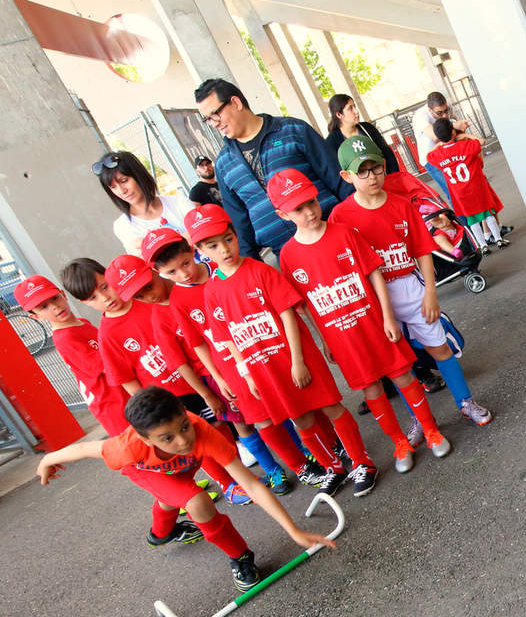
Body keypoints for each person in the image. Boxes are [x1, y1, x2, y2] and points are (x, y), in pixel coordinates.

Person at [35, 386, 336, 591]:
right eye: (167, 438)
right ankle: (241, 557)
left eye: (183, 426)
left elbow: (252, 486)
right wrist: (49, 458)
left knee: (171, 497)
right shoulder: (126, 449)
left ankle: (161, 532)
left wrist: (293, 530)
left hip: (179, 469)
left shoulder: (202, 434)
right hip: (143, 470)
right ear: (145, 439)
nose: (182, 440)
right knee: (196, 500)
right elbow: (88, 448)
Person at [186, 200, 379, 498]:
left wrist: (298, 361)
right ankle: (333, 467)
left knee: (328, 405)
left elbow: (289, 312)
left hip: (295, 357)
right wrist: (247, 373)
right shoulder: (212, 290)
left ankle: (361, 462)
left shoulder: (260, 270)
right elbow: (229, 338)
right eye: (212, 246)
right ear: (200, 250)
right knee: (299, 417)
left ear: (236, 235)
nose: (224, 250)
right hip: (263, 368)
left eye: (227, 239)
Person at [274, 167, 451, 474]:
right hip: (343, 339)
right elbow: (305, 307)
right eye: (298, 209)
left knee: (403, 376)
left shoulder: (344, 233)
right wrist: (325, 339)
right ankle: (399, 442)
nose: (309, 212)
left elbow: (374, 273)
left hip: (374, 324)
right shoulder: (288, 256)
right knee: (371, 390)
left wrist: (387, 316)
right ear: (282, 214)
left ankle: (431, 430)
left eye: (311, 203)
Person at [330, 135, 495, 426]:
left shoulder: (401, 204)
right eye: (362, 171)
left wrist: (431, 292)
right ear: (346, 175)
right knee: (398, 364)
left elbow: (422, 250)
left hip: (409, 285)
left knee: (439, 346)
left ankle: (465, 402)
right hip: (372, 298)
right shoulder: (340, 216)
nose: (372, 177)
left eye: (376, 168)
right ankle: (420, 422)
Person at [60, 256, 251, 505]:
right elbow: (128, 381)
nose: (105, 297)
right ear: (83, 303)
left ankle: (241, 474)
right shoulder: (108, 334)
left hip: (197, 379)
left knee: (219, 425)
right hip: (169, 400)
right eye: (94, 297)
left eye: (105, 286)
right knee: (192, 441)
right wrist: (150, 411)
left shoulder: (147, 299)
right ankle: (228, 484)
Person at [137, 228, 299, 496]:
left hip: (256, 350)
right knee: (244, 422)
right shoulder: (174, 304)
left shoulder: (221, 267)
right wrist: (214, 384)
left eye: (185, 264)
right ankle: (273, 469)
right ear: (160, 272)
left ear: (192, 250)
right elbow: (191, 351)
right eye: (172, 272)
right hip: (219, 372)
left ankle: (305, 452)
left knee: (277, 408)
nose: (184, 274)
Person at [195, 78, 351, 258]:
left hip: (334, 237)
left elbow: (339, 180)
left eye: (215, 114)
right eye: (208, 119)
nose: (214, 123)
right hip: (288, 259)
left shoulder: (293, 130)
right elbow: (240, 225)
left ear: (235, 102)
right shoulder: (224, 164)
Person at [14, 275, 130, 438]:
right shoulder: (65, 339)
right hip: (112, 403)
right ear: (35, 316)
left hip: (122, 393)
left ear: (63, 294)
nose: (55, 307)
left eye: (55, 298)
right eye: (44, 307)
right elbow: (107, 366)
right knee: (136, 450)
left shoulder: (81, 323)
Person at [427, 117, 510, 248]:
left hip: (460, 194)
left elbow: (428, 155)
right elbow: (481, 141)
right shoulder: (464, 146)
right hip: (475, 188)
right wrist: (465, 135)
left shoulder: (438, 155)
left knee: (472, 220)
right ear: (453, 132)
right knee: (487, 214)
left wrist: (439, 144)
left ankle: (483, 246)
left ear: (437, 137)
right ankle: (498, 238)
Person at [95, 150, 196, 255]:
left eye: (124, 181)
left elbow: (203, 233)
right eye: (113, 187)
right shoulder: (123, 226)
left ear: (139, 175)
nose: (122, 191)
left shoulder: (179, 202)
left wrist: (156, 247)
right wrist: (187, 237)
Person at [324, 94, 400, 175]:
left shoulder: (367, 128)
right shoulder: (332, 142)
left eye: (355, 106)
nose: (356, 111)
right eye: (350, 108)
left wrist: (394, 177)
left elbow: (387, 154)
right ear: (339, 114)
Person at [413, 91, 466, 206]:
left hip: (449, 151)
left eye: (446, 111)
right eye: (439, 113)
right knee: (453, 191)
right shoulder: (420, 116)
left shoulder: (447, 107)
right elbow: (436, 137)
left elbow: (455, 123)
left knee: (465, 187)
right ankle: (467, 224)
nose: (444, 116)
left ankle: (482, 222)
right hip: (432, 158)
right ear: (430, 110)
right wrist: (455, 126)